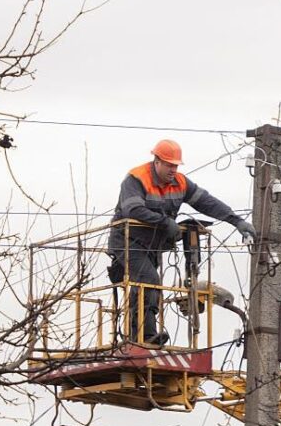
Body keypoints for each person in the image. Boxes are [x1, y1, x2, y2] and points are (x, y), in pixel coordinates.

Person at [108, 139, 256, 345]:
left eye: (176, 165)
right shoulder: (136, 178)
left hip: (152, 245)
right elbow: (132, 210)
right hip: (127, 241)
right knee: (148, 280)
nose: (173, 170)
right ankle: (144, 336)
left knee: (146, 285)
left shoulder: (180, 183)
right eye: (169, 165)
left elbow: (207, 202)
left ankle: (139, 335)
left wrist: (236, 221)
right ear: (157, 161)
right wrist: (164, 222)